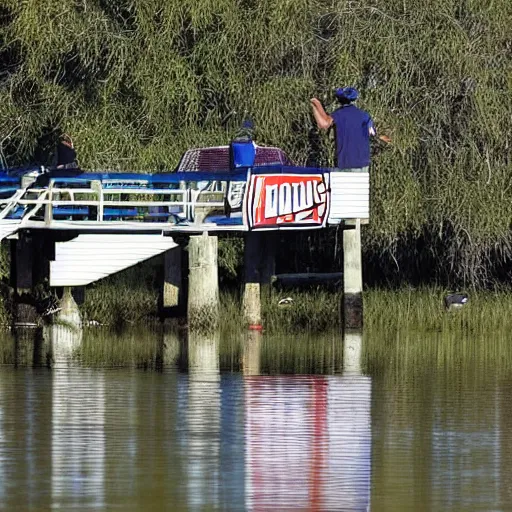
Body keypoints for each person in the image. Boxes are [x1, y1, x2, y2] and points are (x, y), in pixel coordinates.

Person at [310, 87, 390, 171]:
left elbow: (324, 124)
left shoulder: (338, 114)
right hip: (363, 163)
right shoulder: (364, 115)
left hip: (345, 162)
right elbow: (373, 134)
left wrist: (315, 105)